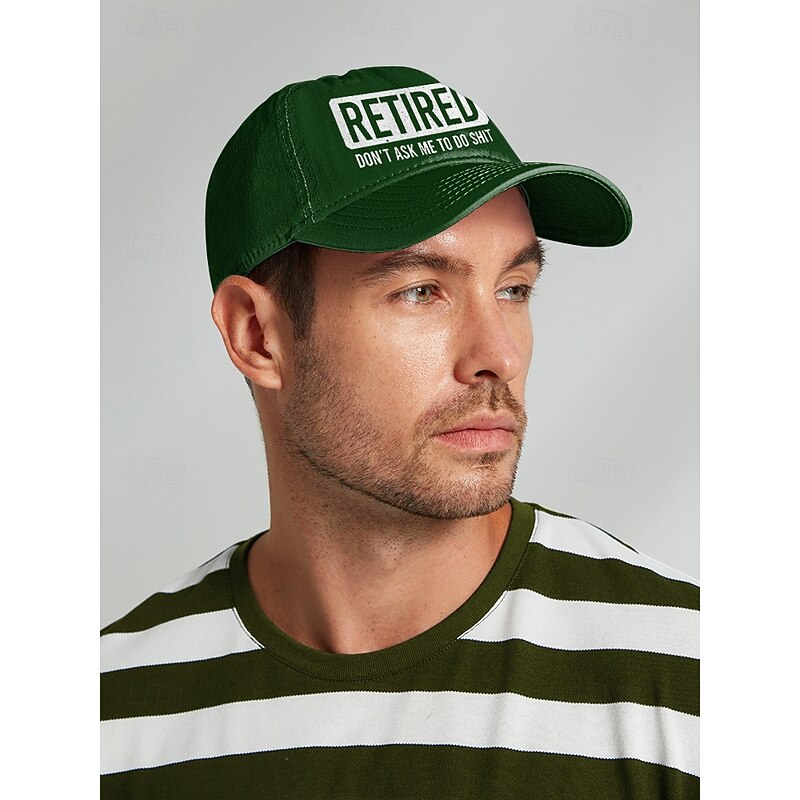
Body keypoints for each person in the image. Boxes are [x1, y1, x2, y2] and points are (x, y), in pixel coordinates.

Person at [100, 65, 699, 799]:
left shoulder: (690, 678)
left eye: (514, 289)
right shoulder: (111, 716)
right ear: (256, 333)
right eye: (421, 291)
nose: (499, 355)